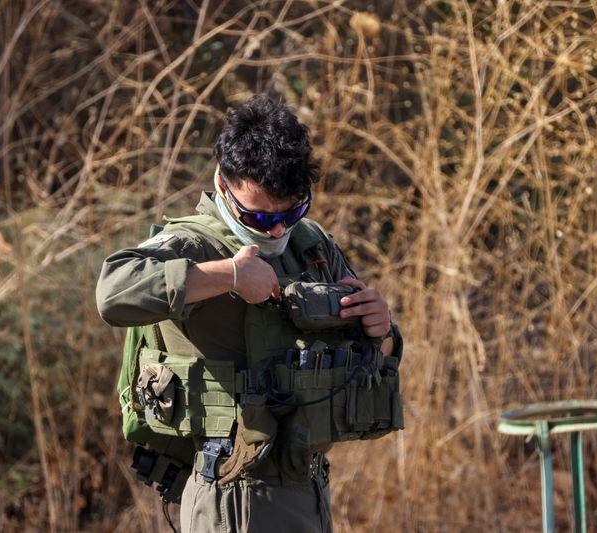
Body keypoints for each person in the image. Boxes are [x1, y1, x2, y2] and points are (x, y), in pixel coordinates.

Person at [96, 94, 401, 532]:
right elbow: (112, 291)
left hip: (307, 487)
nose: (277, 230)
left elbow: (373, 357)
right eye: (257, 216)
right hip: (229, 494)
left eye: (291, 211)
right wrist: (228, 276)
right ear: (222, 184)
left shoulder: (311, 246)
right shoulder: (191, 243)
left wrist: (382, 330)